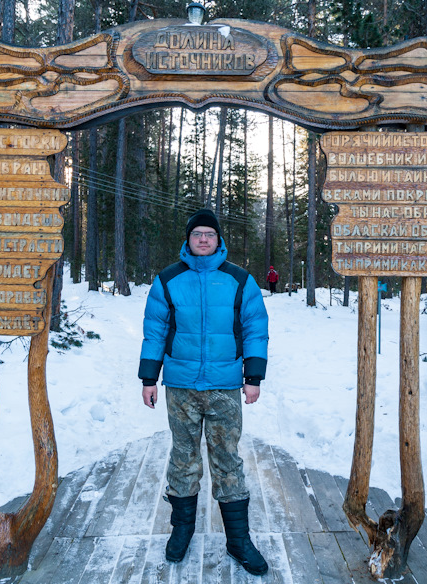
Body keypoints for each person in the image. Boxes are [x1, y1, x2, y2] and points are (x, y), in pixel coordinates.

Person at [138, 208, 269, 575]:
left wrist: (253, 377)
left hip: (225, 385)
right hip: (180, 386)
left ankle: (238, 540)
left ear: (218, 238)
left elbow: (255, 327)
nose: (203, 239)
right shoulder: (168, 280)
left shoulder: (239, 280)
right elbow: (155, 332)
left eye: (210, 233)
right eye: (197, 233)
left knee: (227, 458)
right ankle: (182, 531)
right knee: (183, 457)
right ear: (188, 239)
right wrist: (150, 378)